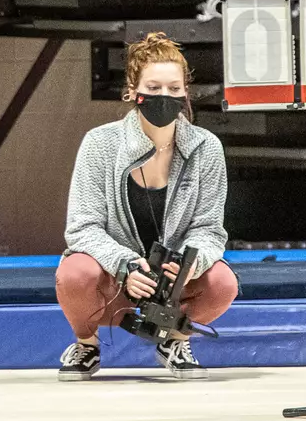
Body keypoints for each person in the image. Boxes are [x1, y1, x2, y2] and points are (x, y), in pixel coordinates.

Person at [55, 32, 238, 381]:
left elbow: (210, 229)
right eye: (153, 88)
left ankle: (175, 340)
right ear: (132, 90)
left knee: (222, 281)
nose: (163, 97)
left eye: (173, 88)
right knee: (75, 273)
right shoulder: (100, 143)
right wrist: (123, 264)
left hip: (172, 284)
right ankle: (86, 345)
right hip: (115, 279)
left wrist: (190, 263)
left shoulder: (206, 147)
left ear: (186, 91)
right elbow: (82, 226)